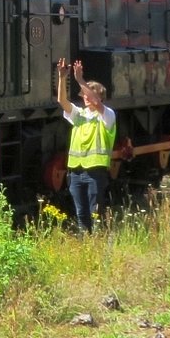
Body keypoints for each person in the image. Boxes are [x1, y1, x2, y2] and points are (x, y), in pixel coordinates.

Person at [57, 57, 116, 233]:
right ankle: (86, 246)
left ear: (99, 96)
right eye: (84, 95)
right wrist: (62, 77)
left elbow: (96, 103)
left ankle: (97, 243)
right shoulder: (79, 114)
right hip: (75, 171)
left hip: (95, 172)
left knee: (95, 213)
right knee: (81, 214)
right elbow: (62, 101)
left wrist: (80, 80)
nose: (85, 98)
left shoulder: (107, 115)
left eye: (89, 94)